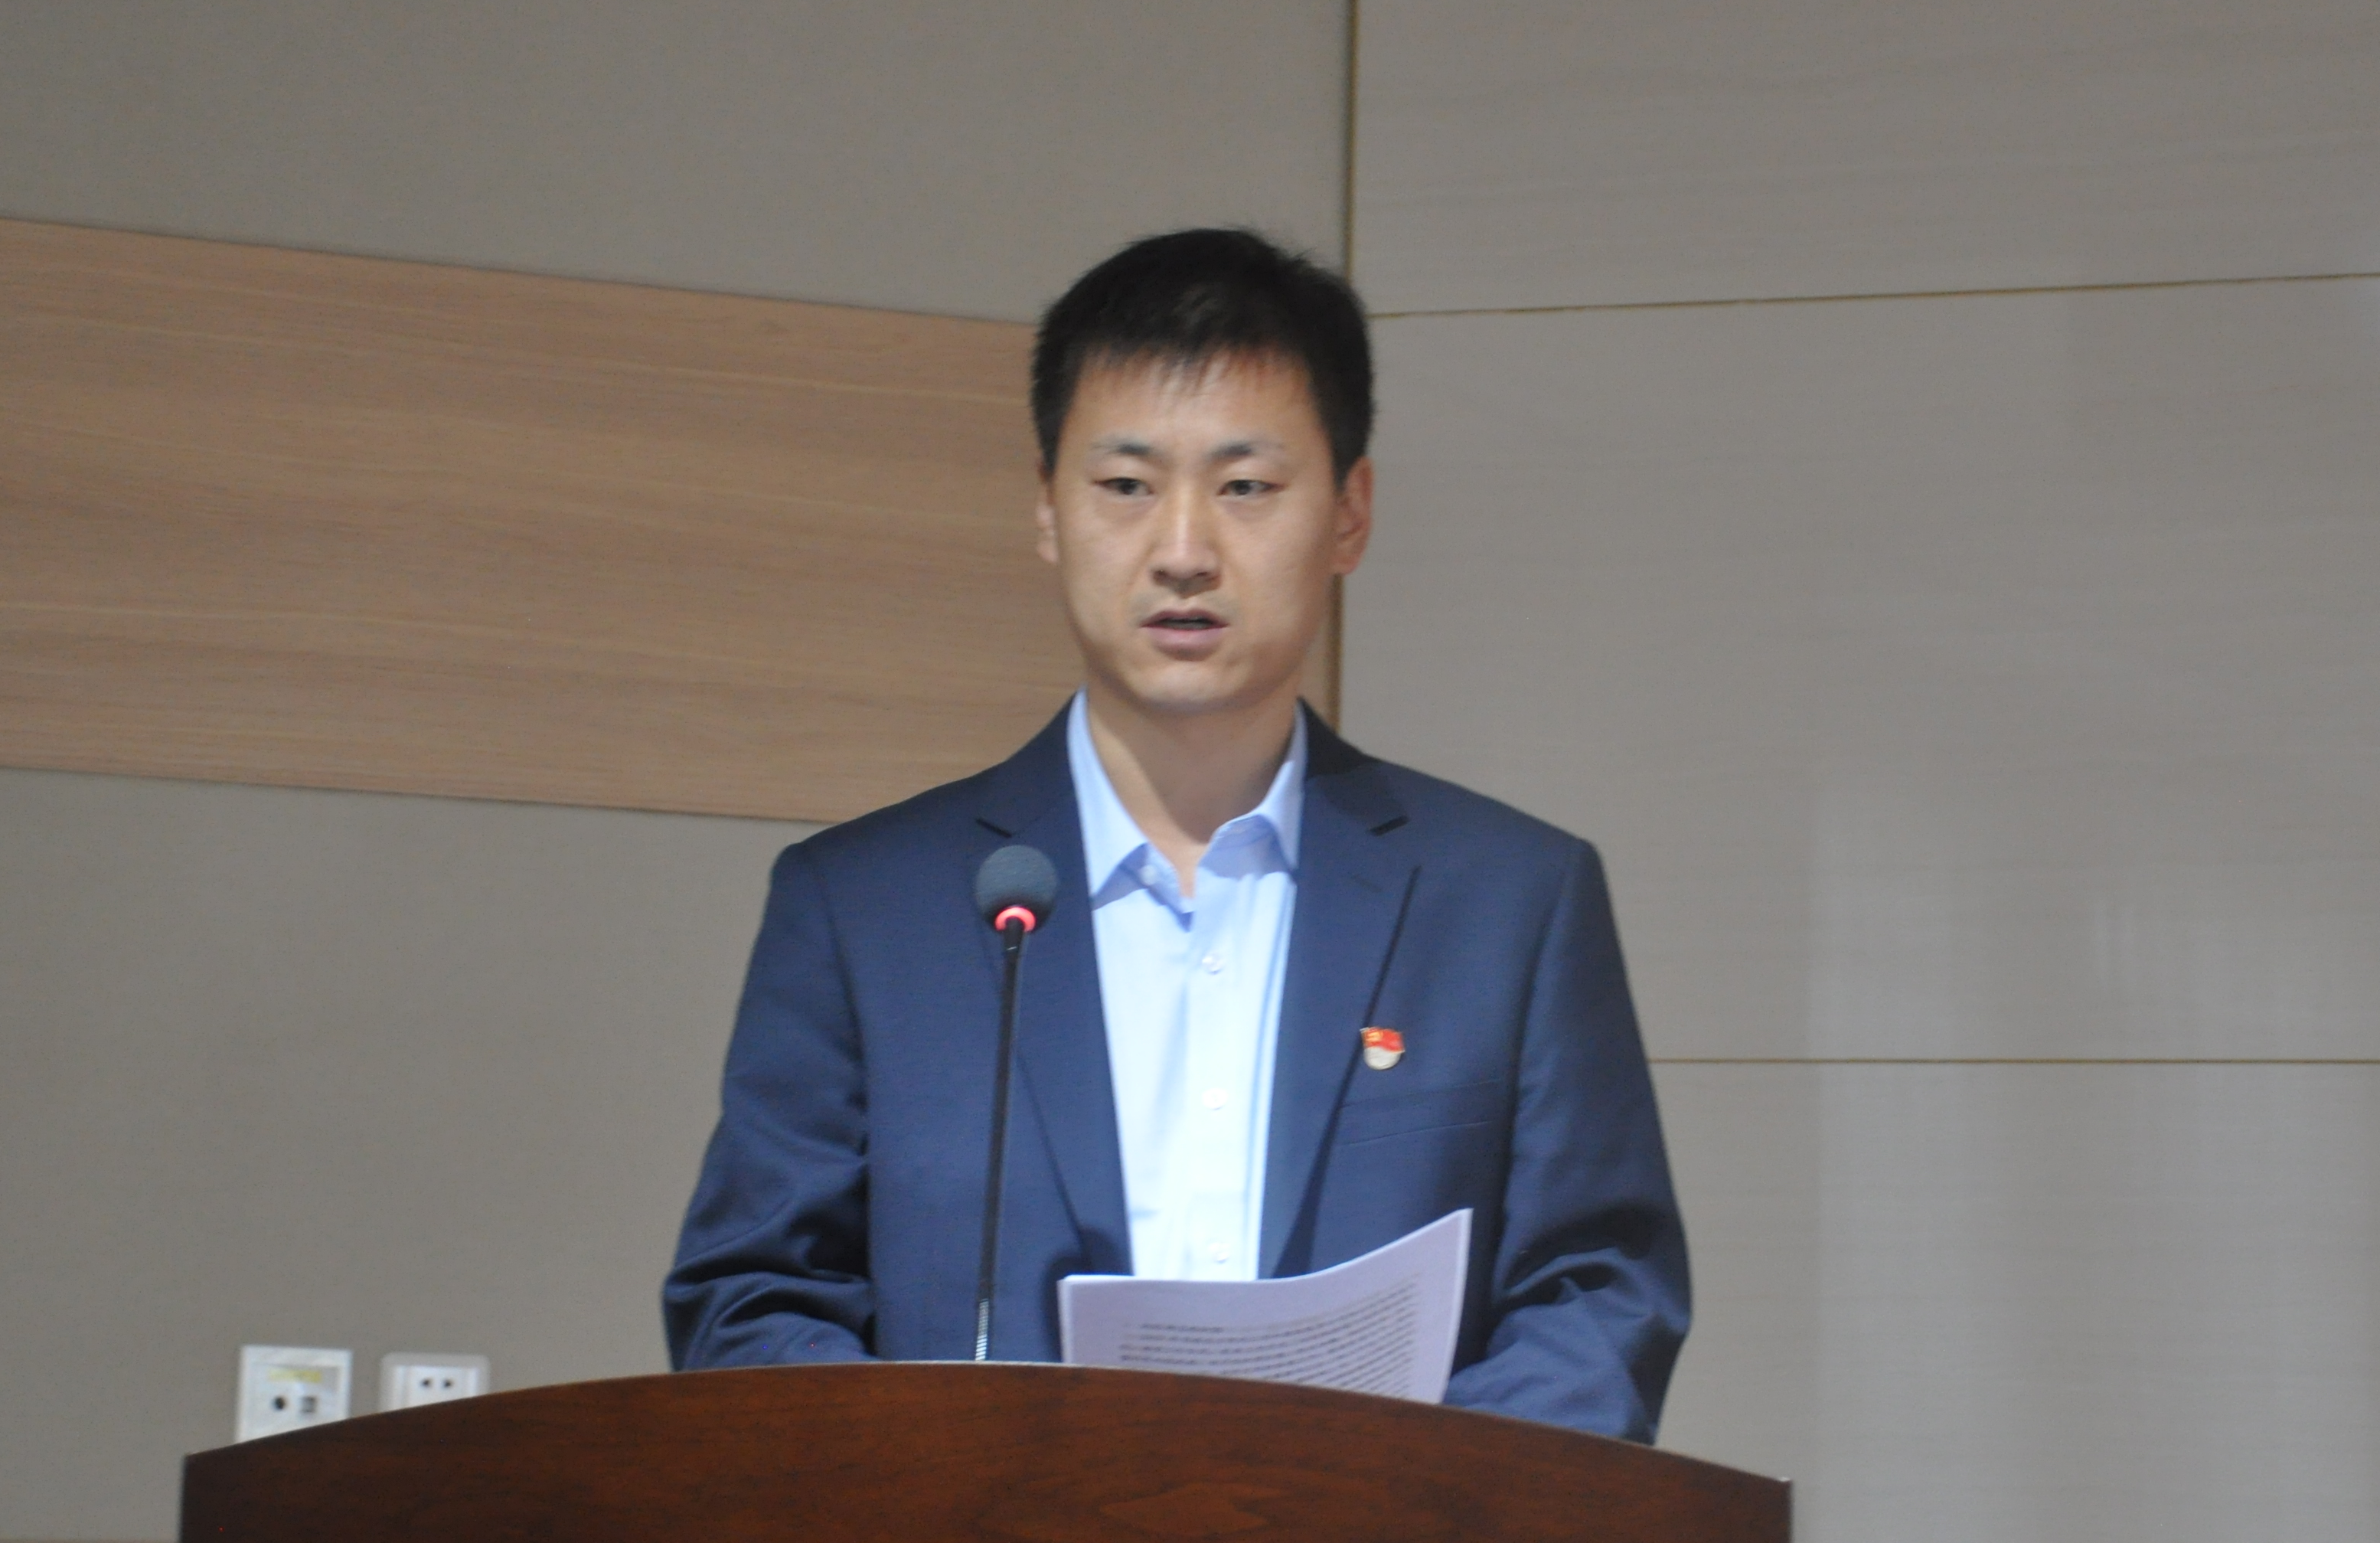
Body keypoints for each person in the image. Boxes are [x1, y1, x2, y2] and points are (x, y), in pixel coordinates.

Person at [661, 229, 1686, 1440]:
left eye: (1246, 487)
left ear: (1350, 515)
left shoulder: (1510, 902)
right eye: (1126, 486)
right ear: (1048, 510)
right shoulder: (862, 908)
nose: (1185, 552)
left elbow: (1597, 1298)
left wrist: (1403, 1511)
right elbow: (755, 1303)